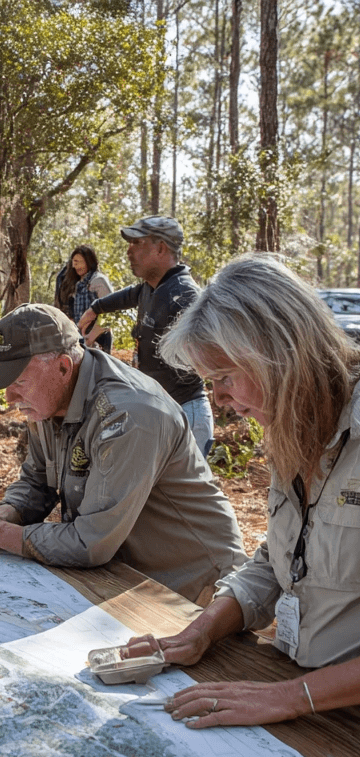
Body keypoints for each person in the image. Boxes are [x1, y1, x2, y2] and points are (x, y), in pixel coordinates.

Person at [119, 255, 360, 728]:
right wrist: (202, 631)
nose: (221, 402)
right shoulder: (295, 425)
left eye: (225, 379)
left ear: (278, 353)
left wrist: (293, 697)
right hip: (309, 705)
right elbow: (279, 560)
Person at [0, 303, 247, 604]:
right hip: (125, 577)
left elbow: (89, 542)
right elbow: (37, 483)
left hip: (195, 589)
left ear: (63, 367)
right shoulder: (48, 401)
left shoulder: (129, 414)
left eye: (19, 382)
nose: (9, 397)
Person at [76, 216, 212, 455]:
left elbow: (205, 356)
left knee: (185, 492)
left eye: (136, 243)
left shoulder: (184, 296)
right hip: (161, 413)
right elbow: (129, 295)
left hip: (185, 415)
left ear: (160, 248)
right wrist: (95, 308)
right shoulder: (151, 288)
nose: (129, 251)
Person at [57, 244, 113, 353]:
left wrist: (91, 337)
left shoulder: (98, 281)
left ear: (89, 261)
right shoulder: (78, 284)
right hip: (82, 339)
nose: (76, 266)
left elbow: (109, 314)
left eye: (80, 262)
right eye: (74, 262)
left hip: (99, 339)